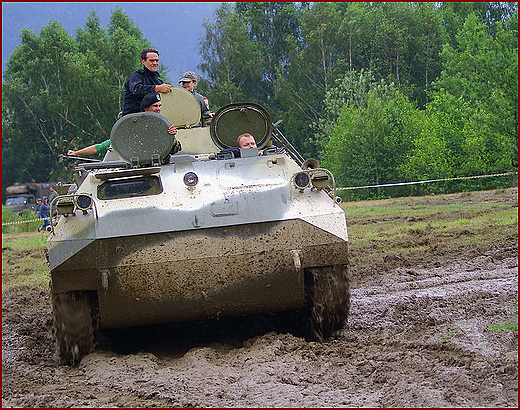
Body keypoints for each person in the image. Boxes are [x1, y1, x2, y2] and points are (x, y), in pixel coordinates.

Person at [68, 93, 179, 157]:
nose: (158, 109)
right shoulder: (133, 126)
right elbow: (101, 147)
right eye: (155, 106)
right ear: (146, 107)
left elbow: (176, 148)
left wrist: (171, 138)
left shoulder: (162, 125)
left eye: (159, 106)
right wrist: (76, 153)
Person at [122, 48, 172, 116]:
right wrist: (157, 88)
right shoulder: (136, 76)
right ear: (143, 62)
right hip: (133, 117)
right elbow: (136, 89)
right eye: (151, 60)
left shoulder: (157, 81)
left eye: (156, 60)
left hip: (152, 118)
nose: (155, 63)